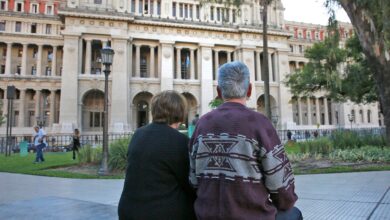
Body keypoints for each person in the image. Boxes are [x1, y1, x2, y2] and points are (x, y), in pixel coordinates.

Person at [189, 61, 301, 220]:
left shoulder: (202, 124)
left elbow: (193, 180)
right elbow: (280, 185)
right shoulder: (259, 123)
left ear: (219, 91)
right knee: (293, 214)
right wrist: (285, 202)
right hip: (252, 215)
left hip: (206, 215)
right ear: (249, 90)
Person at [118, 90, 196, 220]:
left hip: (128, 210)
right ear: (180, 112)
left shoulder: (138, 134)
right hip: (161, 213)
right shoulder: (180, 141)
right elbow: (189, 183)